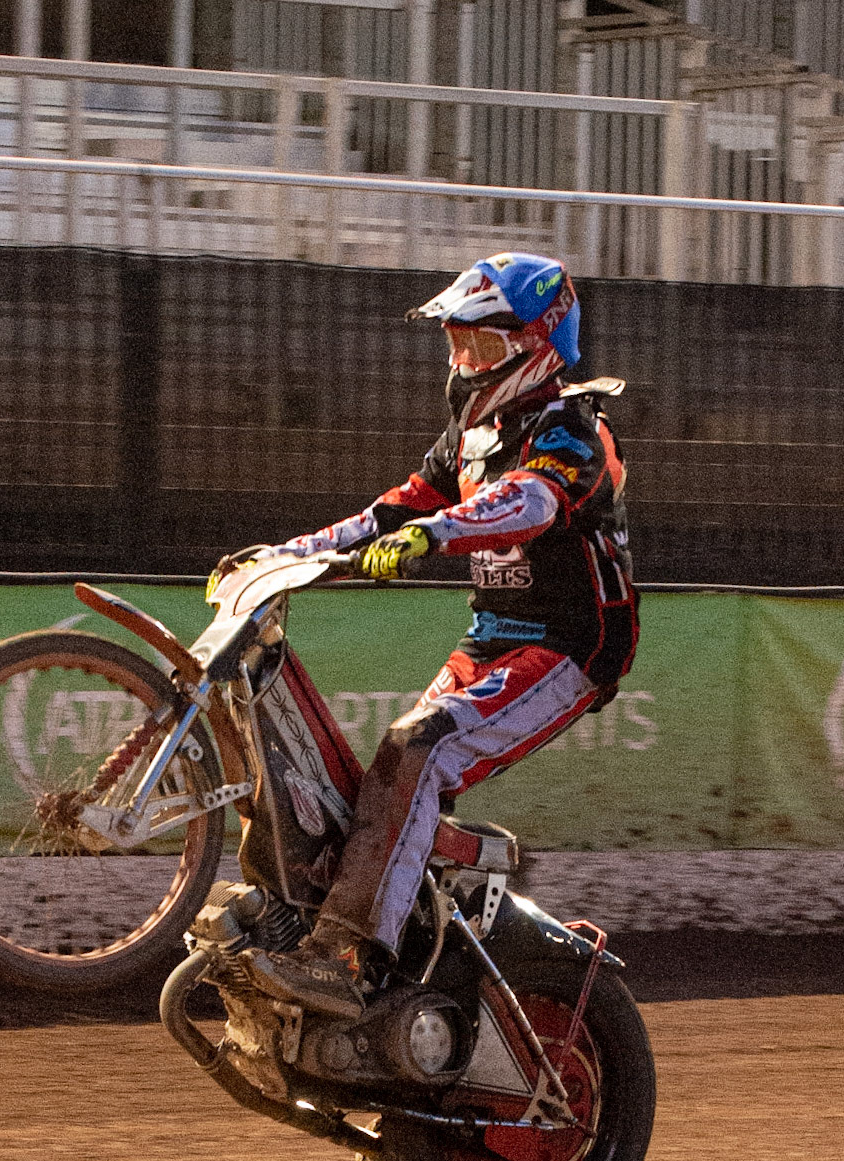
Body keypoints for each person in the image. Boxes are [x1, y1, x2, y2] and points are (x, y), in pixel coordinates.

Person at [226, 251, 639, 1020]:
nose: (465, 362)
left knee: (421, 746)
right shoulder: (472, 434)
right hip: (493, 637)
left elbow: (532, 503)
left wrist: (433, 535)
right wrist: (288, 554)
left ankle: (347, 959)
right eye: (457, 344)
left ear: (536, 344)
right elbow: (388, 512)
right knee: (377, 771)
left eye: (481, 346)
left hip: (571, 647)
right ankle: (382, 936)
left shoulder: (577, 429)